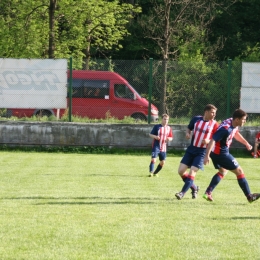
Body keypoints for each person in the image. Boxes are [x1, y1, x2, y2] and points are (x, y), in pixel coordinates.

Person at [203, 109, 260, 203]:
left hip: (216, 153)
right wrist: (206, 156)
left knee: (223, 171)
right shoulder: (225, 129)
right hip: (221, 154)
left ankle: (208, 192)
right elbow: (213, 140)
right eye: (244, 119)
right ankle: (249, 196)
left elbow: (235, 133)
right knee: (240, 171)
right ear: (237, 119)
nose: (245, 121)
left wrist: (246, 143)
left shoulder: (231, 122)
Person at [175, 104, 218, 200]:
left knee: (192, 171)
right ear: (206, 112)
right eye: (212, 112)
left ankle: (182, 193)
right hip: (191, 149)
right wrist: (187, 133)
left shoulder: (214, 124)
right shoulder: (196, 119)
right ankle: (194, 187)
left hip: (202, 152)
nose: (214, 115)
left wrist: (208, 141)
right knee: (181, 171)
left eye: (215, 113)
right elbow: (189, 128)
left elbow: (217, 139)